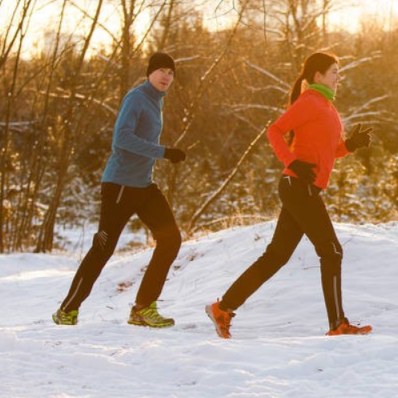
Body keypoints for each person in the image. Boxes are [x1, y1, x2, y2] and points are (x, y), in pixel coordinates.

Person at [206, 51, 373, 338]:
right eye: (334, 71)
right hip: (298, 186)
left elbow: (328, 152)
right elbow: (275, 131)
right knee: (331, 251)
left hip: (304, 188)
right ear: (318, 75)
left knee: (276, 256)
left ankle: (223, 308)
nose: (339, 77)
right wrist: (291, 162)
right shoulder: (310, 101)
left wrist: (350, 145)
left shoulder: (327, 106)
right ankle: (338, 324)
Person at [52, 52, 187, 328]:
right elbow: (122, 138)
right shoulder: (136, 98)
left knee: (171, 239)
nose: (166, 76)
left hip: (143, 185)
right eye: (161, 70)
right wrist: (163, 152)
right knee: (103, 248)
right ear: (150, 73)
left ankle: (142, 308)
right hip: (121, 186)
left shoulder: (156, 102)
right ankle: (67, 310)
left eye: (171, 73)